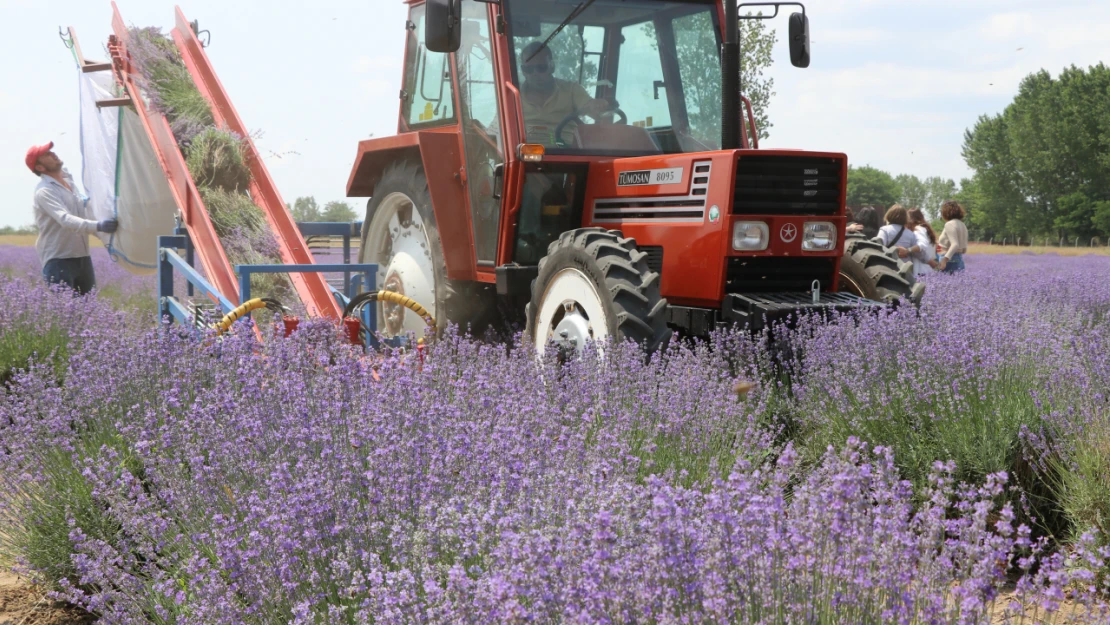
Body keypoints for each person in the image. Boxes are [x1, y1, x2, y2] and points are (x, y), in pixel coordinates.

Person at [27, 141, 118, 295]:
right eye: (46, 154)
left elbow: (84, 213)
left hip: (83, 257)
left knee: (89, 311)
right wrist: (99, 226)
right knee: (66, 314)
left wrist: (109, 237)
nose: (53, 154)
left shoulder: (69, 183)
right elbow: (65, 220)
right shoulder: (44, 191)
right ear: (40, 168)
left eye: (51, 151)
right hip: (59, 260)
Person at [519, 41, 616, 146]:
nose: (535, 73)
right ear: (523, 70)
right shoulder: (512, 96)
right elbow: (500, 132)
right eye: (528, 69)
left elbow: (595, 111)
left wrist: (599, 105)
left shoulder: (571, 90)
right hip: (525, 156)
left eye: (541, 68)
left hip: (566, 155)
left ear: (552, 66)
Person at [937, 200, 969, 273]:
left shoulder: (949, 224)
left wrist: (944, 260)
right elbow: (964, 249)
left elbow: (955, 244)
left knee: (945, 283)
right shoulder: (962, 225)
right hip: (959, 258)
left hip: (948, 259)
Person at [907, 208, 939, 275]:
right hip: (929, 269)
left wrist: (908, 250)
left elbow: (921, 245)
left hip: (921, 270)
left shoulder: (918, 230)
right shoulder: (926, 229)